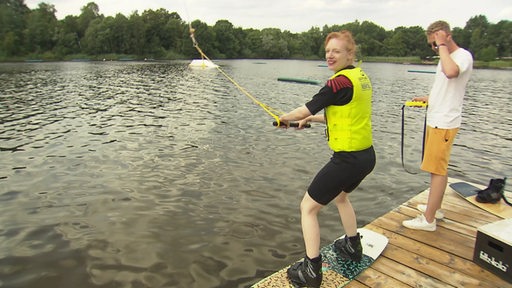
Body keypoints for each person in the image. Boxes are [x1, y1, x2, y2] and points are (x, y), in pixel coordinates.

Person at [278, 30, 375, 287]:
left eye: (337, 51)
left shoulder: (337, 83)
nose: (330, 56)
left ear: (349, 53)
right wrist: (312, 119)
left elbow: (305, 107)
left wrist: (283, 117)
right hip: (366, 157)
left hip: (347, 160)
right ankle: (353, 246)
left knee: (307, 208)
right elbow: (345, 114)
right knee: (341, 197)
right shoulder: (359, 77)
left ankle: (311, 271)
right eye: (328, 51)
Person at [402, 20, 473, 231]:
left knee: (437, 171)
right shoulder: (445, 57)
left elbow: (452, 73)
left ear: (446, 36)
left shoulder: (462, 56)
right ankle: (436, 209)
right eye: (432, 44)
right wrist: (428, 98)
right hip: (436, 118)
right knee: (438, 169)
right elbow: (445, 87)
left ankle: (429, 219)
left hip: (445, 121)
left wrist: (442, 46)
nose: (434, 48)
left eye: (435, 43)